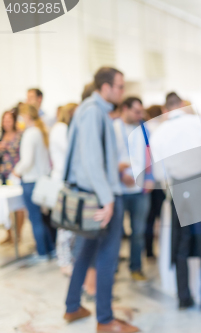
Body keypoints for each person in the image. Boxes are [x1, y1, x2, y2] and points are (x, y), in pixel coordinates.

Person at [63, 67, 140, 333]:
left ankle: (73, 306)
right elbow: (92, 160)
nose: (122, 91)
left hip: (93, 195)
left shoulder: (90, 110)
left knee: (86, 252)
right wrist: (107, 200)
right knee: (108, 256)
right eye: (120, 86)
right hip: (101, 196)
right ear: (105, 87)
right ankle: (105, 320)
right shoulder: (94, 112)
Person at [149, 92, 201, 311]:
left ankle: (183, 298)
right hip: (199, 185)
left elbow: (158, 174)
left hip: (177, 188)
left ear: (166, 109)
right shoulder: (195, 121)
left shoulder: (158, 133)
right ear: (181, 106)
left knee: (181, 243)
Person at [113, 97, 153, 281]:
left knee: (138, 232)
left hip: (140, 189)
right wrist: (121, 175)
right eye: (136, 111)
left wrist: (150, 178)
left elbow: (151, 154)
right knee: (114, 233)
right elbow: (108, 157)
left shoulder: (144, 128)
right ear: (125, 109)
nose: (140, 115)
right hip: (119, 190)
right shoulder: (113, 128)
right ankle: (111, 268)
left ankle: (136, 266)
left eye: (141, 111)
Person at [11, 104, 53, 263]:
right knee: (43, 217)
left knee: (35, 219)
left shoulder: (30, 133)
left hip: (31, 181)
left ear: (26, 116)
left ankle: (42, 252)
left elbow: (27, 161)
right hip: (42, 179)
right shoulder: (41, 131)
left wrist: (15, 171)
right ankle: (51, 248)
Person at [50, 103, 78, 276]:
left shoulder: (65, 129)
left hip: (67, 183)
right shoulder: (60, 129)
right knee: (65, 227)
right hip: (62, 183)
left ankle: (68, 259)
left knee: (69, 227)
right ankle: (64, 262)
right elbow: (71, 152)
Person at [144, 105, 166, 259]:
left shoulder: (145, 130)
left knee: (149, 218)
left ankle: (149, 251)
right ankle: (164, 248)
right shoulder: (160, 130)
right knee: (162, 216)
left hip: (148, 180)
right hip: (158, 180)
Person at [0, 110, 24, 244]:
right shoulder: (2, 136)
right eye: (5, 120)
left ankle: (18, 233)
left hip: (15, 173)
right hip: (3, 173)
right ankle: (9, 233)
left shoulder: (20, 136)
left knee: (18, 205)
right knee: (5, 205)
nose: (6, 123)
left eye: (9, 120)